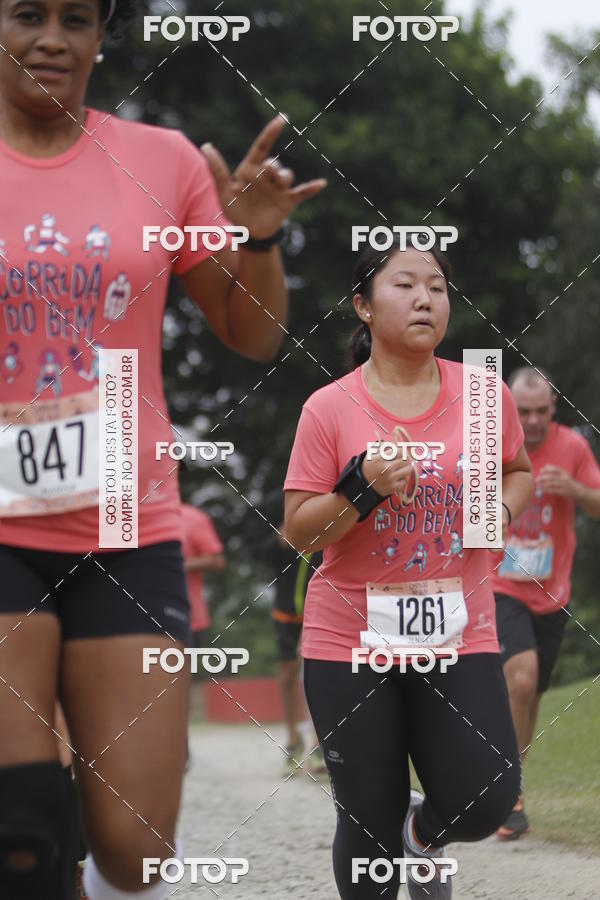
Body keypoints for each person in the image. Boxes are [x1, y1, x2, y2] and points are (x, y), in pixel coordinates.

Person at [0, 2, 326, 898]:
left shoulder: (162, 160)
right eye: (27, 14)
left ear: (103, 34)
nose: (52, 38)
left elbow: (251, 334)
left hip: (124, 519)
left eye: (77, 18)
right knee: (20, 831)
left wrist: (258, 238)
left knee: (136, 851)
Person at [284, 239, 534, 899]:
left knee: (486, 796)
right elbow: (299, 530)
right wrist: (360, 489)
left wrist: (500, 511)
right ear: (363, 306)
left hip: (458, 633)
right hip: (351, 642)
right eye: (404, 285)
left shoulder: (482, 394)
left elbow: (518, 470)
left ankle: (421, 838)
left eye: (437, 287)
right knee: (368, 823)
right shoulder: (330, 407)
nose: (425, 298)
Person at [492, 367, 600, 840]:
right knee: (522, 678)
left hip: (553, 593)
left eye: (541, 410)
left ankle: (512, 783)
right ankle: (508, 792)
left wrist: (574, 490)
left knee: (531, 694)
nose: (532, 421)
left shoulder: (573, 447)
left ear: (554, 406)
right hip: (501, 585)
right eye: (523, 412)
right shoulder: (492, 447)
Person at [271, 526, 324, 775]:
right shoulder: (274, 511)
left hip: (319, 605)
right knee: (288, 673)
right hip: (285, 610)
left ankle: (318, 744)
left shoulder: (328, 510)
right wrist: (278, 538)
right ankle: (294, 741)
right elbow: (261, 553)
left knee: (317, 671)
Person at [180, 502, 225, 651]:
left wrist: (175, 566)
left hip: (188, 618)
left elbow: (217, 561)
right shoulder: (124, 515)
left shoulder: (192, 517)